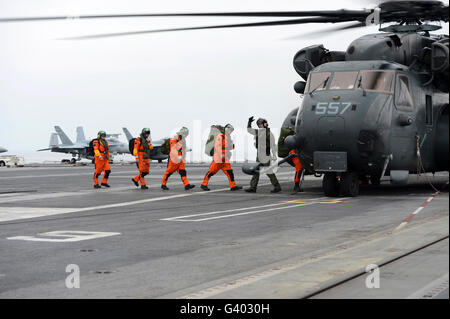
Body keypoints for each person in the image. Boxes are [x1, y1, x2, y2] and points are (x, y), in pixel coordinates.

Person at [201, 124, 242, 191]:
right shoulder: (220, 136)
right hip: (218, 158)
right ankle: (203, 184)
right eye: (229, 130)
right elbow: (217, 147)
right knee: (211, 172)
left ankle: (233, 186)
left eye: (231, 131)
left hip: (225, 159)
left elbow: (228, 147)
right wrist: (221, 155)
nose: (230, 132)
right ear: (226, 129)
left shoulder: (227, 137)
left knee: (230, 172)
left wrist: (232, 146)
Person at [245, 117, 281, 193]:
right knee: (255, 170)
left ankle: (277, 186)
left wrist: (274, 155)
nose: (259, 126)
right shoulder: (258, 132)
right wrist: (249, 122)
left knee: (268, 171)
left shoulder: (269, 133)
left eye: (261, 124)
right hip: (259, 154)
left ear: (265, 124)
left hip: (265, 155)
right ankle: (253, 187)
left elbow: (273, 145)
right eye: (258, 125)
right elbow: (249, 130)